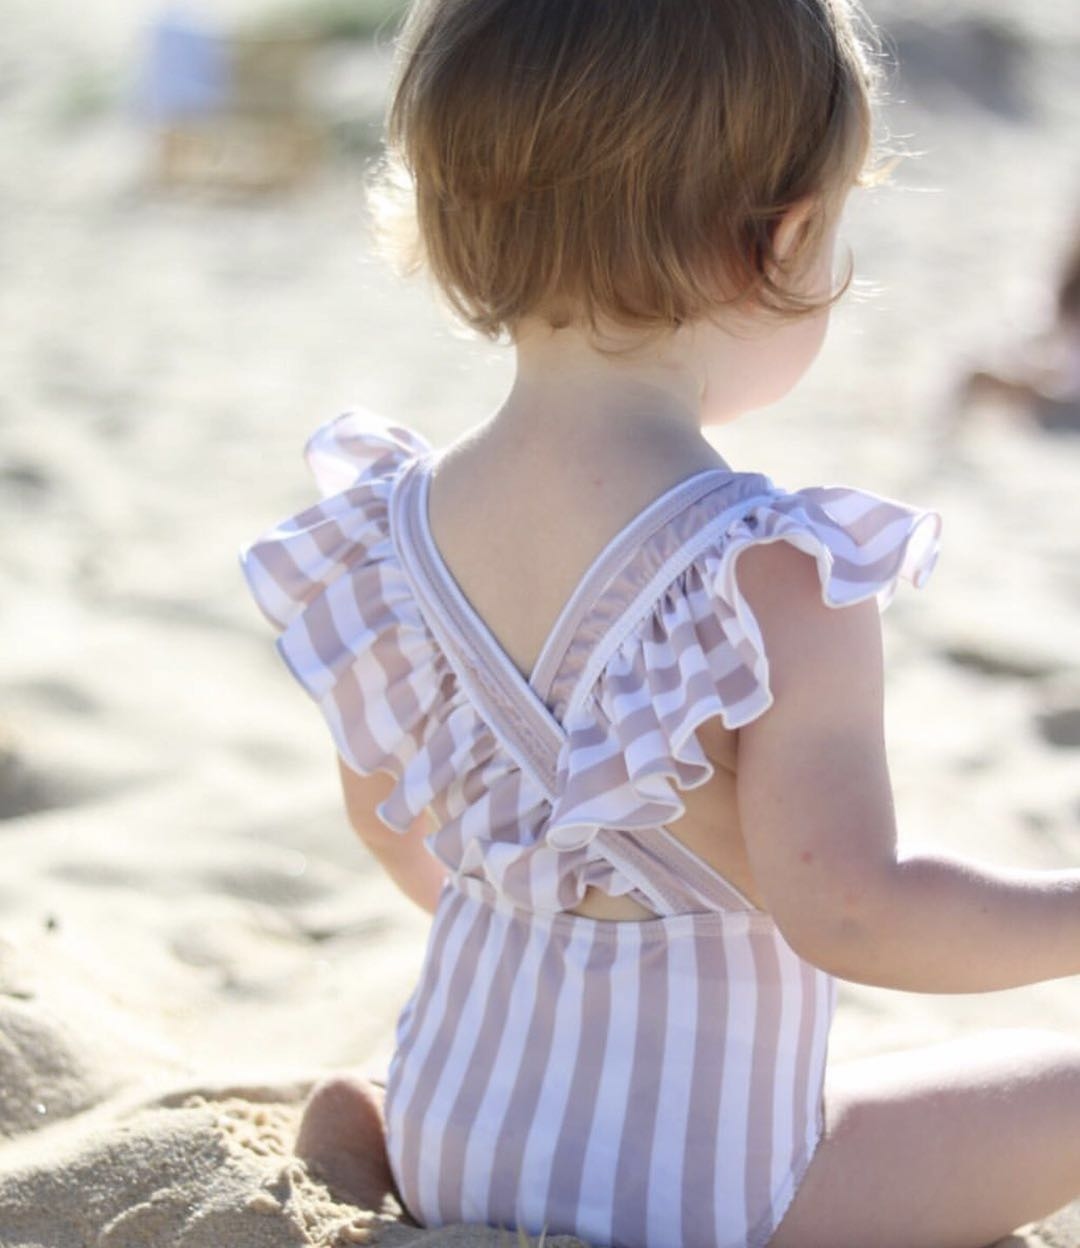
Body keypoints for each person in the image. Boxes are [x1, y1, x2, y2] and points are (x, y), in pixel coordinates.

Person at [237, 2, 1080, 1245]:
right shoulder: (772, 573)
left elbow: (390, 825)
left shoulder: (387, 533)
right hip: (699, 1195)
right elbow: (854, 912)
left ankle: (381, 1136)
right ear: (780, 239)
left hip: (458, 1125)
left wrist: (547, 927)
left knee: (448, 1072)